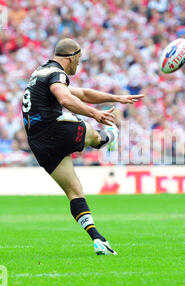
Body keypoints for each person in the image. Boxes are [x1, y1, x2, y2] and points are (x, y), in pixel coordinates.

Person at [22, 38, 144, 255]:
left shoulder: (40, 73)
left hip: (38, 144)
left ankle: (98, 239)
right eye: (79, 59)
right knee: (94, 135)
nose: (79, 63)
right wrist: (96, 113)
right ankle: (109, 137)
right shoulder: (57, 74)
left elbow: (83, 94)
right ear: (72, 57)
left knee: (74, 191)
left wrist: (115, 97)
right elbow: (66, 99)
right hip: (54, 130)